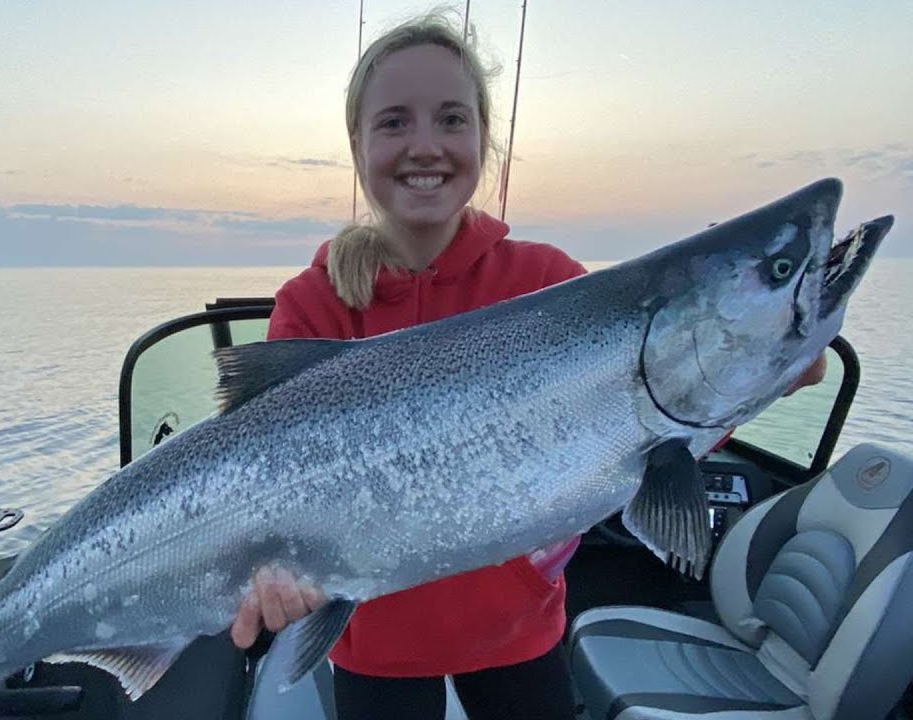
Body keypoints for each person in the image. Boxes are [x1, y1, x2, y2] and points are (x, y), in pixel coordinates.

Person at [228, 11, 826, 720]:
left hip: (517, 634)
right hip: (373, 644)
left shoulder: (549, 283)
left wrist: (754, 373)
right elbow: (251, 479)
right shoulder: (314, 303)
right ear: (355, 145)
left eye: (452, 119)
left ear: (486, 138)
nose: (426, 145)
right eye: (394, 122)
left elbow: (645, 420)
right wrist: (266, 575)